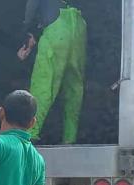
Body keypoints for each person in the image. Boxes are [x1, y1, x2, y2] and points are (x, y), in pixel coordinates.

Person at [17, 0, 86, 144]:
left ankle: (30, 137)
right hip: (79, 26)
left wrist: (28, 31)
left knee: (44, 86)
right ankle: (70, 139)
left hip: (56, 27)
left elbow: (33, 4)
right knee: (74, 90)